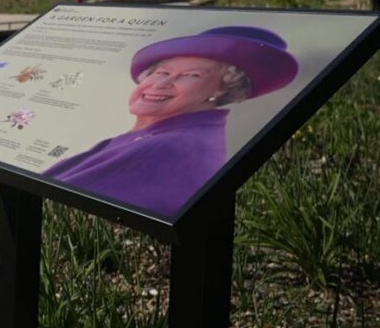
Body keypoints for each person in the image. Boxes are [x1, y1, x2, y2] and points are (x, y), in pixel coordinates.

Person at [42, 26, 299, 217]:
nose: (162, 83)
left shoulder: (172, 146)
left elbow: (53, 205)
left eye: (190, 75)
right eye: (161, 72)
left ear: (222, 89)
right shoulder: (158, 134)